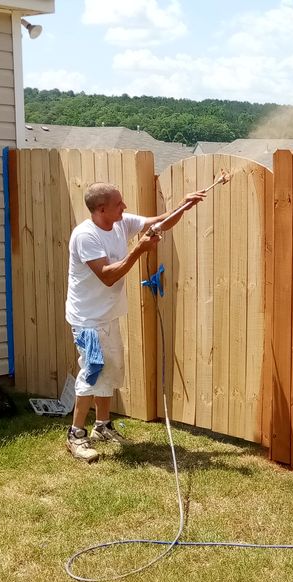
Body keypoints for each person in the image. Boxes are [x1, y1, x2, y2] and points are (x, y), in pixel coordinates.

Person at [64, 181, 211, 462]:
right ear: (101, 209)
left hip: (107, 314)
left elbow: (159, 223)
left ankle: (102, 426)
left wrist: (184, 204)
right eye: (119, 204)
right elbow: (107, 275)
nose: (125, 207)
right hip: (88, 319)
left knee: (111, 368)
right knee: (93, 370)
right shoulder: (85, 236)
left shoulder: (120, 223)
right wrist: (139, 250)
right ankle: (76, 435)